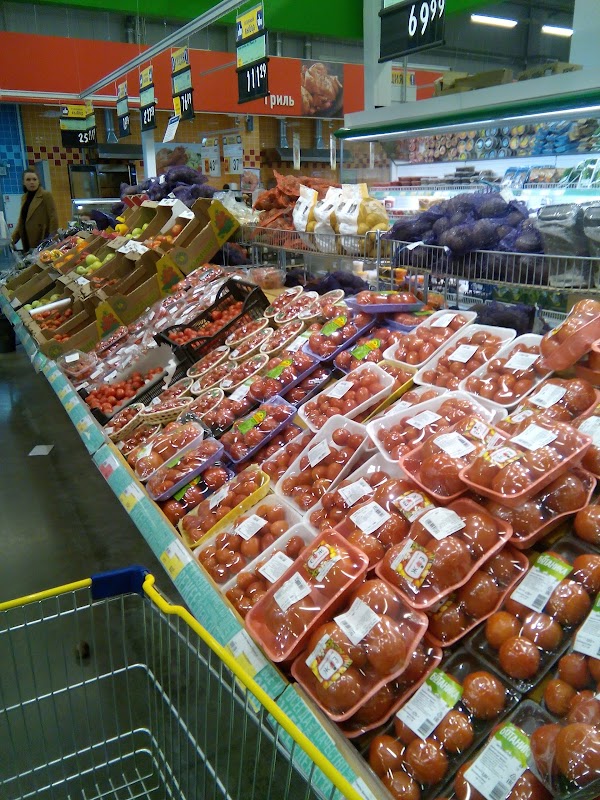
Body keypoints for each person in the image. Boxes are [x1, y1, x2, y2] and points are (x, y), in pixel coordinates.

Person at [11, 170, 58, 253]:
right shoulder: (24, 197)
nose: (32, 182)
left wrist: (52, 238)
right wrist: (12, 240)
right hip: (26, 238)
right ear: (24, 182)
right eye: (28, 180)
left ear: (38, 181)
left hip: (42, 238)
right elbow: (22, 221)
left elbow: (53, 217)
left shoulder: (46, 195)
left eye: (34, 179)